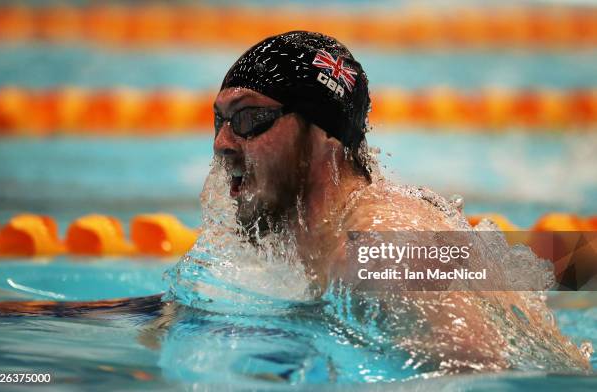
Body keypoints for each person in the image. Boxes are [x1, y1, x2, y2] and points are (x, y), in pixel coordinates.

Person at [211, 30, 590, 372]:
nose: (222, 144)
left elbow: (484, 378)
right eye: (220, 121)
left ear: (325, 131)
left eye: (250, 117)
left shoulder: (382, 254)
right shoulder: (329, 243)